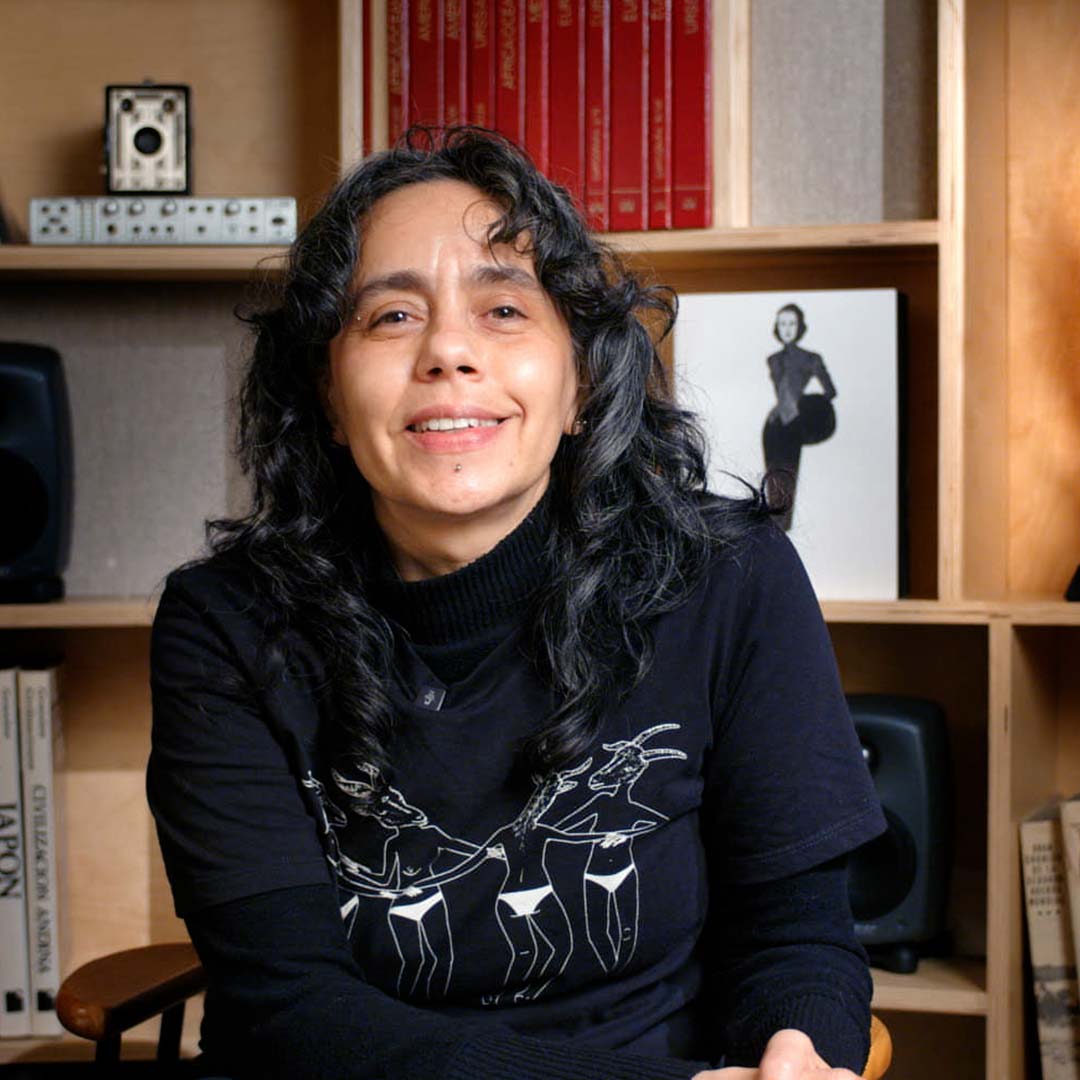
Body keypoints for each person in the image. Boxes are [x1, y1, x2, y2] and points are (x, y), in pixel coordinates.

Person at [147, 127, 886, 1080]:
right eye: (391, 317)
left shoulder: (731, 578)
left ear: (581, 384)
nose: (449, 351)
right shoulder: (225, 625)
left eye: (502, 308)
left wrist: (797, 1050)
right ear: (328, 399)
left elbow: (799, 939)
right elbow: (289, 1007)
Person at [761, 303, 838, 531]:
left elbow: (830, 391)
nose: (787, 329)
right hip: (773, 425)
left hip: (793, 425)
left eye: (791, 324)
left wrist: (805, 406)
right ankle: (775, 529)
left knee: (787, 479)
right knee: (772, 480)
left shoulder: (811, 358)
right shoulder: (773, 359)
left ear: (800, 326)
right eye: (782, 324)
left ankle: (783, 530)